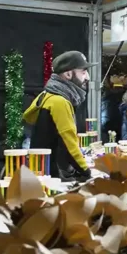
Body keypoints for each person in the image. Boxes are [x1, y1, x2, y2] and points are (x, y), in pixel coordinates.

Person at [24, 50, 93, 180]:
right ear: (68, 74)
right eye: (83, 72)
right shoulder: (59, 102)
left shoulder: (46, 95)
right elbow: (69, 144)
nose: (87, 77)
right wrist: (86, 172)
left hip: (41, 168)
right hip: (53, 174)